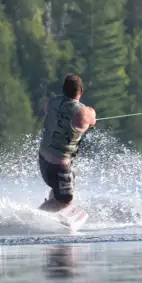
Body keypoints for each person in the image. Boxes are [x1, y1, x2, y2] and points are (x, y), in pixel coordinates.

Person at [38, 74, 97, 212]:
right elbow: (91, 119)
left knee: (59, 190)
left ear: (63, 90)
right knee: (65, 200)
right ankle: (35, 217)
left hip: (43, 160)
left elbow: (47, 109)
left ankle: (51, 206)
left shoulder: (52, 101)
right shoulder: (81, 112)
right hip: (59, 167)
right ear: (81, 91)